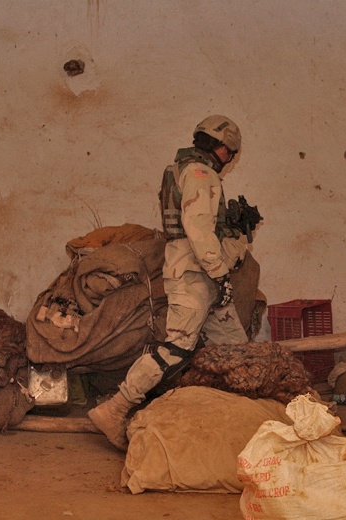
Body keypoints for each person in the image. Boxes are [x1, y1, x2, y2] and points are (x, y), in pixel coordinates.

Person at [88, 115, 253, 450]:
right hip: (196, 275)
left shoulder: (179, 170)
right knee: (176, 349)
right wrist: (220, 273)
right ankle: (116, 408)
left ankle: (241, 424)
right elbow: (198, 230)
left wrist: (235, 234)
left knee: (238, 353)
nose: (229, 160)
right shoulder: (201, 174)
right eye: (230, 154)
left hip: (197, 273)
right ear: (221, 147)